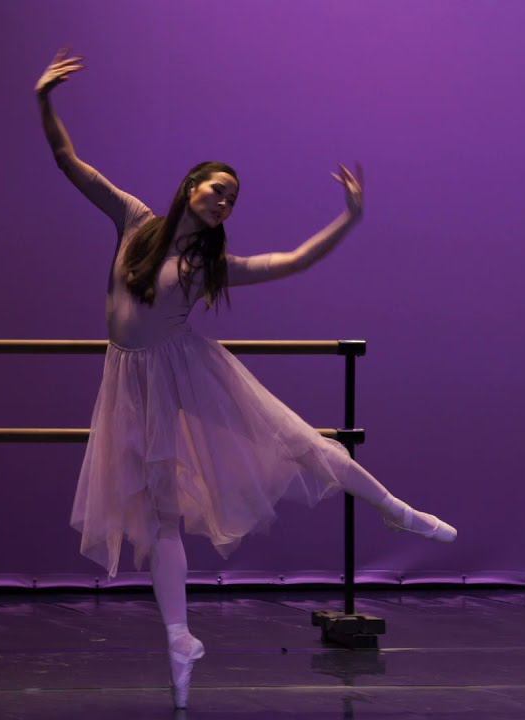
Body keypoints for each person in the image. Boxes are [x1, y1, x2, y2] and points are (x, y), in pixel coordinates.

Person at [35, 47, 457, 709]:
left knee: (296, 440)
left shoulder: (210, 265)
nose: (224, 202)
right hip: (129, 379)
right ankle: (179, 640)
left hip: (184, 371)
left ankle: (393, 509)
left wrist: (348, 221)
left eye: (232, 199)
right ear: (191, 187)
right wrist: (45, 100)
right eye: (217, 190)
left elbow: (288, 262)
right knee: (161, 517)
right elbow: (71, 163)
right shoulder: (136, 220)